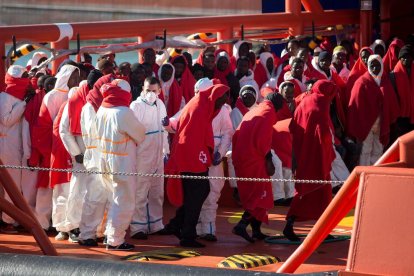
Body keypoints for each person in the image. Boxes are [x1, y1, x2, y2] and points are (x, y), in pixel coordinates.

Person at [163, 83, 230, 248]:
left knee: (198, 193)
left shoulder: (201, 104)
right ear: (215, 96)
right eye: (223, 98)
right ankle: (187, 235)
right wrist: (204, 156)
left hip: (190, 155)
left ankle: (177, 224)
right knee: (197, 194)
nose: (224, 101)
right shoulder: (200, 108)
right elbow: (193, 137)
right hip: (191, 158)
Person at [284, 80, 338, 241]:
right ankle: (315, 229)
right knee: (320, 192)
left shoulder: (305, 99)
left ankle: (320, 229)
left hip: (302, 153)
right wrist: (327, 154)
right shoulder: (321, 102)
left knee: (305, 190)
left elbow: (294, 126)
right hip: (316, 156)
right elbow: (323, 133)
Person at [96, 79, 146, 251]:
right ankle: (115, 240)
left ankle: (109, 235)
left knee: (113, 199)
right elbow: (140, 134)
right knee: (124, 201)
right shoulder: (123, 112)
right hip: (122, 162)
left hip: (105, 159)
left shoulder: (102, 109)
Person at [31, 64, 80, 231]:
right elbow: (47, 123)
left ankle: (59, 222)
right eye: (73, 76)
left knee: (66, 187)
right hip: (53, 146)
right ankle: (42, 223)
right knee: (47, 186)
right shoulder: (52, 96)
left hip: (68, 145)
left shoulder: (74, 94)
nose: (76, 80)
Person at [232, 92, 284, 243]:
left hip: (243, 158)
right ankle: (241, 225)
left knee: (257, 194)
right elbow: (262, 140)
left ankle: (256, 231)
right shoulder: (268, 113)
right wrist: (268, 160)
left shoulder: (256, 110)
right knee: (258, 194)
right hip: (254, 160)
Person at [129, 77, 169, 240]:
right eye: (148, 90)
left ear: (159, 91)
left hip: (158, 154)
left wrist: (167, 150)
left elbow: (164, 129)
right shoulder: (136, 106)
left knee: (157, 191)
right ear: (142, 90)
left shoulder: (161, 105)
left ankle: (156, 224)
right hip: (142, 155)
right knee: (140, 191)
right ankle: (137, 227)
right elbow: (131, 132)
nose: (151, 94)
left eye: (154, 91)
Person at [77, 72, 113, 247]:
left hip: (107, 155)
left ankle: (103, 232)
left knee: (110, 197)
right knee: (94, 197)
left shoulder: (105, 106)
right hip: (96, 155)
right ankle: (87, 234)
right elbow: (95, 131)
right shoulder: (89, 107)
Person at [347, 55, 400, 166]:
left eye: (377, 65)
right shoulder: (361, 82)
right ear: (368, 66)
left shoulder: (385, 81)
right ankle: (365, 171)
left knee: (378, 148)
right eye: (372, 65)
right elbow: (355, 104)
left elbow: (391, 100)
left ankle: (376, 170)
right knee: (365, 149)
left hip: (381, 122)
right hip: (366, 123)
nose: (375, 68)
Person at [0, 65, 34, 233]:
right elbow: (7, 120)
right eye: (25, 76)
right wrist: (24, 104)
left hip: (13, 147)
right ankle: (8, 221)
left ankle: (11, 218)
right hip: (6, 147)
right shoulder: (4, 97)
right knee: (10, 185)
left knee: (12, 185)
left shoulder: (15, 97)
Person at [197, 85, 233, 242]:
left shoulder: (224, 110)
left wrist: (221, 152)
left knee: (213, 191)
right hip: (198, 156)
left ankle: (208, 229)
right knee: (196, 193)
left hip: (215, 156)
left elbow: (227, 132)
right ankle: (196, 228)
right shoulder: (196, 106)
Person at [51, 86, 80, 242]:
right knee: (63, 195)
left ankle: (73, 227)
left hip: (73, 158)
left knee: (74, 195)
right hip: (64, 158)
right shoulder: (66, 109)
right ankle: (62, 228)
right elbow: (61, 134)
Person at [22, 74, 49, 211]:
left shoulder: (40, 99)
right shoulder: (36, 100)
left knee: (32, 188)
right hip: (33, 152)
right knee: (30, 189)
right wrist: (28, 155)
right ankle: (28, 218)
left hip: (37, 150)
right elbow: (27, 129)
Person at [390, 45, 414, 138]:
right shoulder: (393, 74)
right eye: (403, 57)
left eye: (408, 56)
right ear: (400, 58)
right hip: (401, 114)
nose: (406, 59)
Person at [344, 47, 374, 112]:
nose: (366, 60)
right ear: (360, 58)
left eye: (368, 57)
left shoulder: (376, 70)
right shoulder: (354, 75)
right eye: (363, 57)